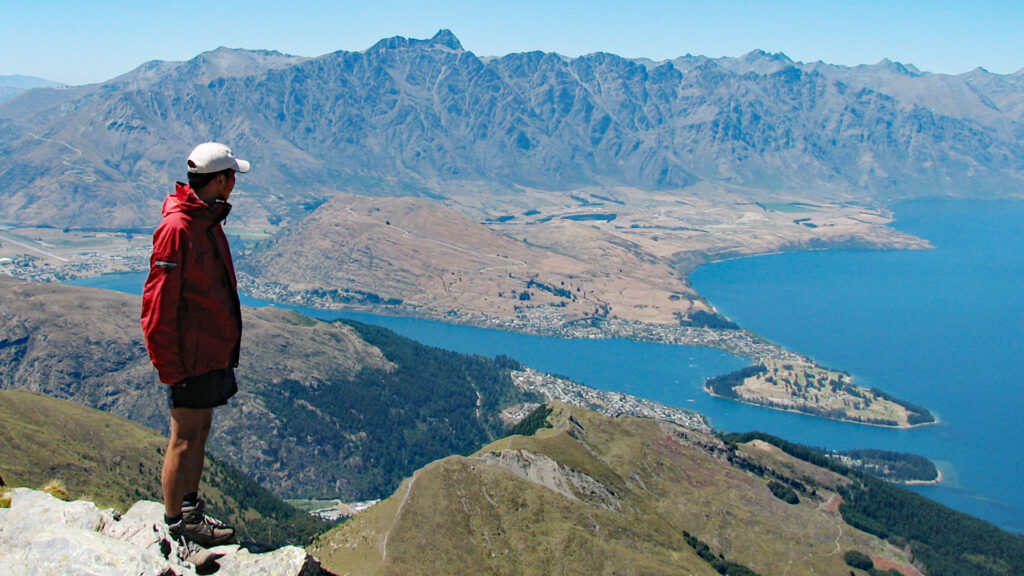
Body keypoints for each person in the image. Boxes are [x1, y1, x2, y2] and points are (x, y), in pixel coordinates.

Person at [140, 142, 249, 563]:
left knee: (199, 432)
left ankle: (191, 516)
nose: (236, 182)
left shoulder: (206, 220)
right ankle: (174, 533)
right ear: (219, 179)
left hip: (210, 353)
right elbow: (157, 306)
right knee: (183, 439)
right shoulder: (177, 229)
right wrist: (170, 366)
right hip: (188, 357)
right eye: (232, 176)